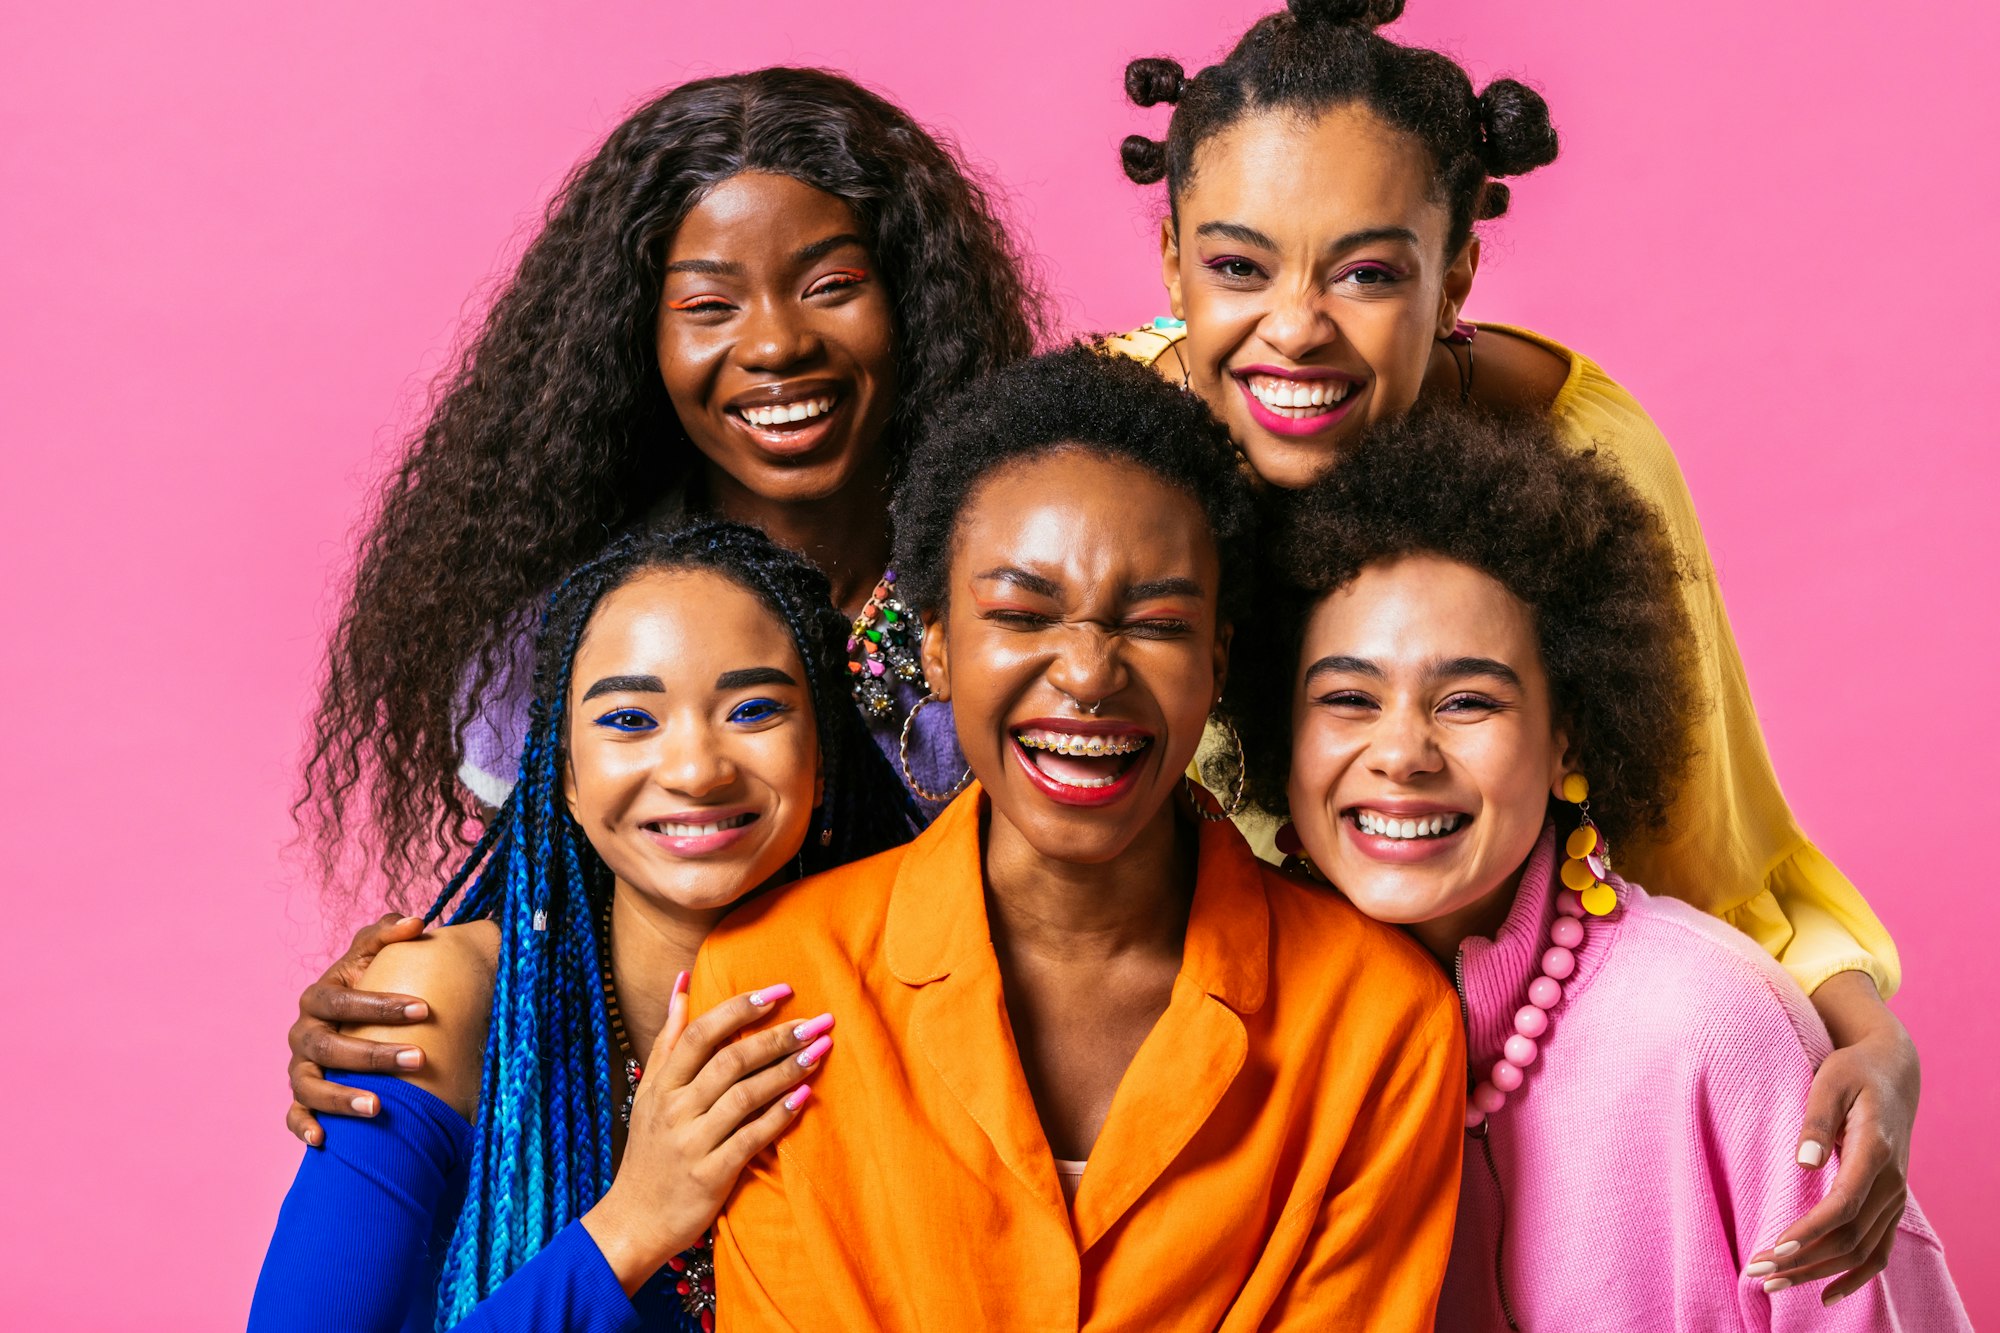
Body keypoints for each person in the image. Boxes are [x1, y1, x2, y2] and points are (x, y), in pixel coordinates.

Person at [1109, 0, 1916, 1289]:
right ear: (1169, 261)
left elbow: (1709, 849)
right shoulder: (1103, 467)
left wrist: (1866, 1041)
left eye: (1367, 271)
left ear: (1459, 275)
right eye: (1237, 266)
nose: (1296, 330)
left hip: (1534, 1090)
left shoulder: (1583, 457)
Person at [284, 67, 1045, 1145]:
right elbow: (539, 931)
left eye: (830, 285)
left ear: (912, 300)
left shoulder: (1026, 599)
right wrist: (397, 1004)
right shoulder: (566, 633)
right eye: (708, 305)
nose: (776, 342)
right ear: (634, 340)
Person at [689, 346, 1465, 1330]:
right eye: (1021, 612)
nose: (1089, 674)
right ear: (933, 642)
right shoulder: (772, 988)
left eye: (1155, 621)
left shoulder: (1379, 1024)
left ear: (1215, 659)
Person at [1230, 407, 1970, 1329]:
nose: (1401, 752)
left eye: (1466, 699)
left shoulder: (1718, 1028)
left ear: (1566, 731)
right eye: (1347, 697)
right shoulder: (1242, 1030)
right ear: (1282, 735)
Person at [250, 521, 912, 1330]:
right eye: (630, 720)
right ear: (562, 772)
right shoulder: (443, 1008)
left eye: (753, 709)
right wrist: (631, 1224)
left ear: (822, 752)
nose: (697, 769)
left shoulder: (914, 989)